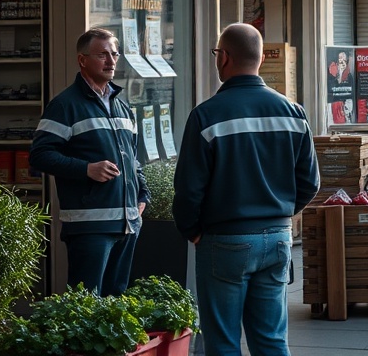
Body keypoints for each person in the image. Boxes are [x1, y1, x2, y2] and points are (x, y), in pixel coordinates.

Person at [173, 23, 319, 356]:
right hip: (278, 239)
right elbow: (310, 182)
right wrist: (279, 213)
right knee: (271, 340)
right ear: (260, 59)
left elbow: (188, 189)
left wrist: (192, 230)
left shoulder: (206, 116)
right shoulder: (294, 113)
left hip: (224, 240)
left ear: (223, 57)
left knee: (223, 342)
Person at [29, 28, 149, 296]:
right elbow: (40, 156)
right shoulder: (64, 105)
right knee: (86, 305)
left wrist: (143, 195)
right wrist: (86, 169)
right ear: (82, 60)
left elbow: (133, 158)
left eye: (114, 54)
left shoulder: (122, 106)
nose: (111, 61)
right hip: (90, 226)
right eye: (103, 55)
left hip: (128, 224)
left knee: (117, 304)